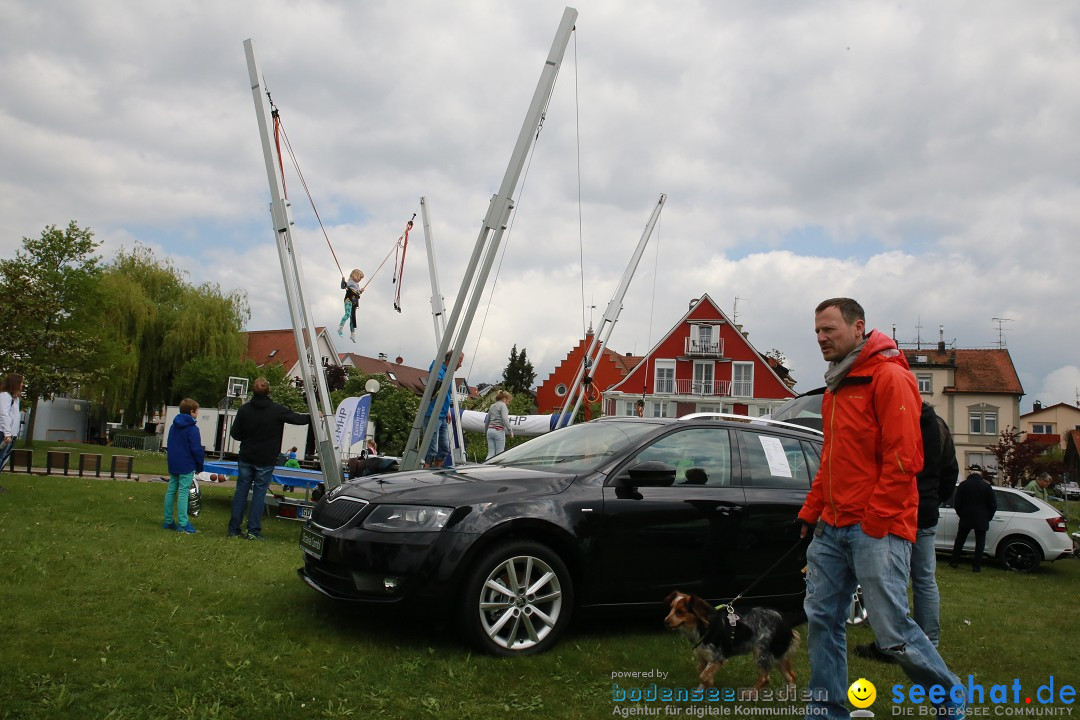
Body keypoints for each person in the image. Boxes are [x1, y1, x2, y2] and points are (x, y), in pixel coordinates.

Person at [797, 298, 963, 720]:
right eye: (817, 330)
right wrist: (811, 511)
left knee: (891, 631)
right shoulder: (839, 385)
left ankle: (950, 700)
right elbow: (833, 460)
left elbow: (905, 458)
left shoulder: (889, 378)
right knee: (822, 621)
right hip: (831, 527)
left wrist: (874, 522)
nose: (820, 338)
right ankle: (827, 711)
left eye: (829, 329)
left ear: (858, 328)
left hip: (876, 528)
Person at [857, 402, 959, 661]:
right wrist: (935, 498)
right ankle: (929, 640)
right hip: (926, 509)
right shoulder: (939, 425)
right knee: (925, 579)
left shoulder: (891, 419)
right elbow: (951, 470)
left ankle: (893, 641)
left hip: (897, 506)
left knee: (893, 577)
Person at [228, 377, 311, 539]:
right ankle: (253, 531)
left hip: (246, 456)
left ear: (252, 391)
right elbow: (297, 419)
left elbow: (235, 434)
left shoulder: (244, 410)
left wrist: (248, 435)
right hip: (265, 460)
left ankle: (233, 529)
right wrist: (314, 416)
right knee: (259, 494)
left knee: (241, 492)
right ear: (269, 391)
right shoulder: (276, 410)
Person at [164, 398, 205, 533]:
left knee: (171, 490)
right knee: (183, 492)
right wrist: (199, 465)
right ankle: (183, 523)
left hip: (174, 462)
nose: (198, 413)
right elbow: (196, 449)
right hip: (187, 463)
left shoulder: (173, 426)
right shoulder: (193, 429)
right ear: (192, 412)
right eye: (197, 411)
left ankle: (168, 520)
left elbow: (170, 444)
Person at [950, 469, 997, 572]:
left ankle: (954, 561)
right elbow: (993, 504)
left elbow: (957, 502)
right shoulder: (986, 486)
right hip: (982, 517)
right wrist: (988, 517)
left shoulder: (963, 485)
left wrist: (961, 514)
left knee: (960, 540)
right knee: (980, 542)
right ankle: (976, 566)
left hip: (966, 516)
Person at [423, 351, 462, 469]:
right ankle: (425, 471)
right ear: (452, 360)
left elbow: (446, 394)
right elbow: (436, 385)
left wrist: (448, 411)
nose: (460, 365)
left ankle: (437, 471)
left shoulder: (448, 374)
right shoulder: (439, 369)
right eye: (460, 362)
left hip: (443, 414)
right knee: (432, 449)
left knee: (444, 448)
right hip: (433, 413)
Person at [0, 373, 24, 487]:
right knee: (0, 457)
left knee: (4, 459)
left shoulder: (15, 398)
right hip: (4, 434)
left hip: (12, 434)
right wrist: (7, 433)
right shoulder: (5, 396)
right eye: (21, 382)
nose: (22, 385)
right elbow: (3, 414)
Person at [337, 268, 364, 342]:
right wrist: (343, 281)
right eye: (360, 278)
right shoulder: (350, 282)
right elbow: (343, 286)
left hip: (354, 302)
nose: (360, 280)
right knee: (348, 314)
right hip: (348, 300)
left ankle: (352, 333)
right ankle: (340, 328)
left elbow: (357, 293)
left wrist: (360, 291)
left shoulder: (357, 285)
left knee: (353, 318)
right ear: (356, 275)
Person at [485, 390, 513, 460]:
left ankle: (485, 467)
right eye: (508, 401)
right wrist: (510, 431)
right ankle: (496, 470)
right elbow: (505, 418)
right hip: (499, 430)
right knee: (499, 454)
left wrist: (485, 431)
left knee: (490, 453)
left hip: (490, 430)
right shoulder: (503, 405)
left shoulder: (492, 406)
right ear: (504, 399)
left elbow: (487, 420)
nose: (508, 403)